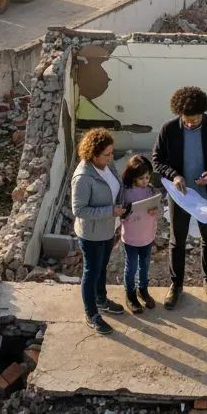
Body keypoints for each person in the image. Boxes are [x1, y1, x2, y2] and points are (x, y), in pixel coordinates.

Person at [152, 86, 207, 309]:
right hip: (181, 196)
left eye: (195, 120)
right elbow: (157, 160)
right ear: (179, 114)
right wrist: (174, 175)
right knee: (177, 240)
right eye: (186, 120)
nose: (190, 124)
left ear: (203, 113)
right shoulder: (168, 129)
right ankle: (176, 285)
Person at [71, 128, 129, 334]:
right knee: (91, 271)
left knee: (102, 267)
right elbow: (79, 210)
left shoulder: (107, 165)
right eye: (107, 154)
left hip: (108, 228)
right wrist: (110, 211)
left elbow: (116, 188)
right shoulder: (83, 178)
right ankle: (91, 314)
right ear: (93, 155)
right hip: (92, 234)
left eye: (112, 153)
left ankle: (101, 300)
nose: (111, 158)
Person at [120, 155, 159, 314]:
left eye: (147, 177)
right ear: (132, 176)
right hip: (131, 237)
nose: (145, 181)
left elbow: (158, 208)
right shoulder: (126, 192)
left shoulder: (151, 190)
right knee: (131, 267)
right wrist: (128, 213)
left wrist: (156, 210)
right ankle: (130, 294)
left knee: (145, 265)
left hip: (147, 235)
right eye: (141, 178)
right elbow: (120, 213)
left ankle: (143, 290)